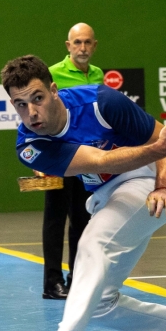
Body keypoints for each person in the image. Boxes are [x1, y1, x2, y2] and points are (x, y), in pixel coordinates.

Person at [1, 55, 166, 331]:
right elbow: (101, 160)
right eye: (20, 104)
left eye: (37, 98)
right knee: (100, 304)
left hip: (149, 183)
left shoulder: (101, 102)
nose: (31, 112)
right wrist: (161, 145)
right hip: (108, 194)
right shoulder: (30, 145)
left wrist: (163, 185)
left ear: (54, 90)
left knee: (92, 243)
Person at [41, 23, 103, 299]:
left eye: (87, 43)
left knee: (82, 220)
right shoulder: (51, 74)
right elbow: (37, 115)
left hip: (86, 161)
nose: (82, 48)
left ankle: (76, 279)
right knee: (55, 220)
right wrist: (40, 157)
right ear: (68, 46)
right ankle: (52, 283)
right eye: (77, 42)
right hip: (58, 158)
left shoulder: (98, 75)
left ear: (94, 45)